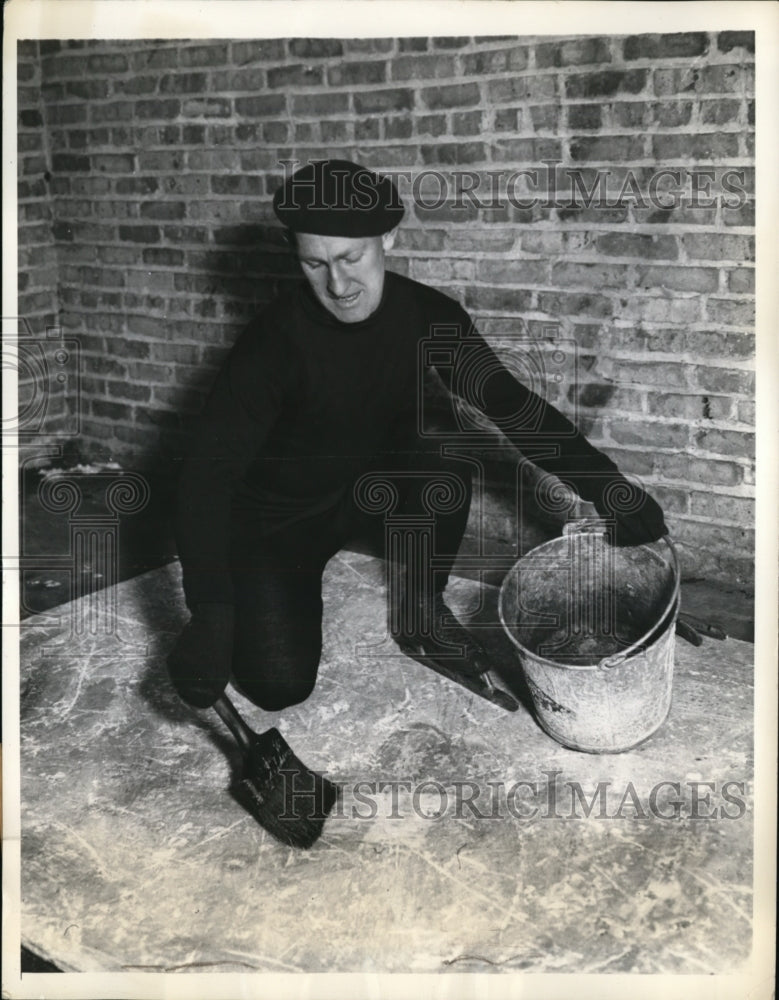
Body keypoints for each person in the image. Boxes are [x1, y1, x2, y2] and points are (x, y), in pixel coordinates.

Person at [168, 158, 666, 719]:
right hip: (277, 524)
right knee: (279, 688)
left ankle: (423, 617)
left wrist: (608, 487)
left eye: (351, 258)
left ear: (388, 236)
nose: (337, 283)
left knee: (445, 446)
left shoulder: (428, 315)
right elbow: (205, 477)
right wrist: (210, 609)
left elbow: (510, 406)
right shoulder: (271, 344)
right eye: (315, 263)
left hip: (363, 497)